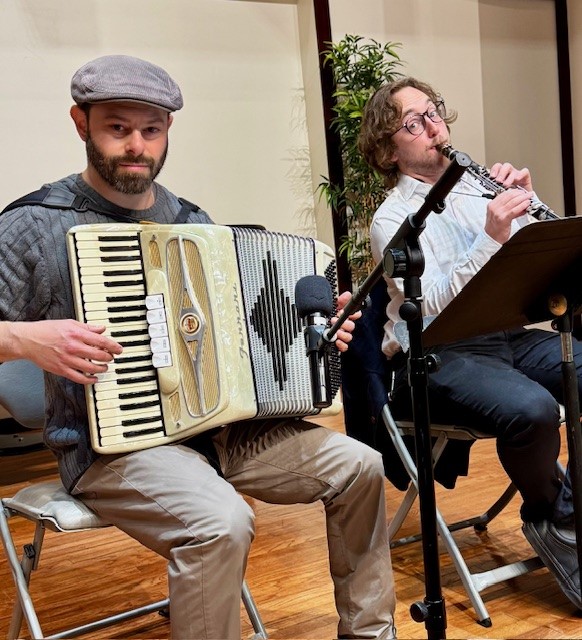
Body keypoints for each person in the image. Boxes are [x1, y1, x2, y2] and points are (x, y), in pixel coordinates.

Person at [0, 55, 396, 640]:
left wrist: (319, 340)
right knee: (220, 521)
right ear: (80, 123)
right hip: (111, 450)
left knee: (360, 465)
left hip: (222, 432)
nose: (136, 145)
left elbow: (245, 344)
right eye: (117, 128)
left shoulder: (194, 224)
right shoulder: (35, 224)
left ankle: (369, 634)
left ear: (167, 132)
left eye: (151, 130)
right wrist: (23, 339)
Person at [358, 76, 582, 610]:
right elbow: (432, 302)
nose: (433, 125)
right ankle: (559, 520)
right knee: (532, 409)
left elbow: (541, 258)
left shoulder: (477, 186)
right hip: (440, 352)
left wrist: (528, 203)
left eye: (432, 112)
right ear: (389, 150)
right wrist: (491, 234)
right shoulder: (392, 219)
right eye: (413, 122)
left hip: (509, 334)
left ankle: (572, 517)